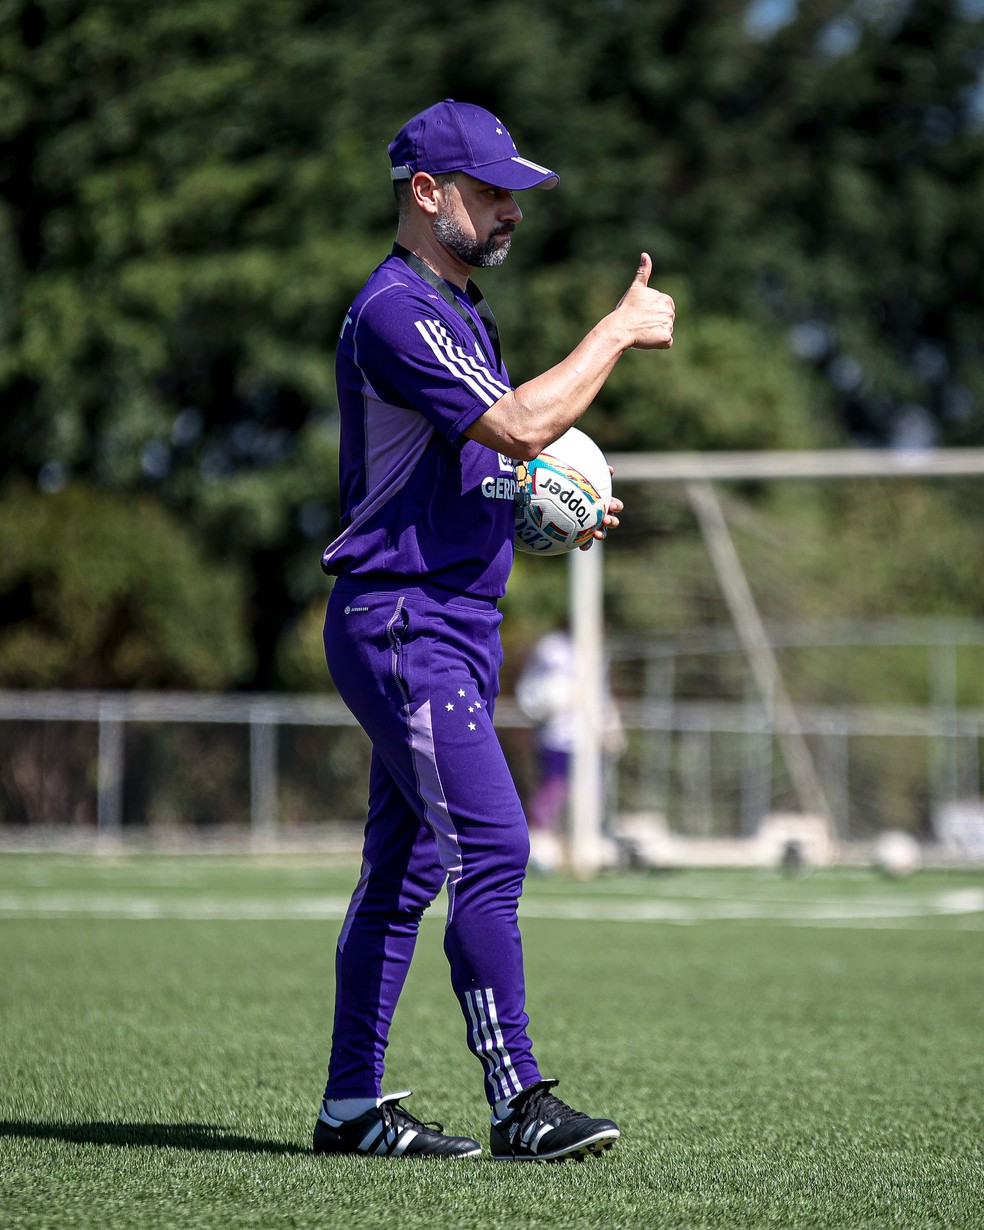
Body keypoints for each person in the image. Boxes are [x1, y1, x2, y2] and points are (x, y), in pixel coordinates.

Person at [314, 98, 674, 1162]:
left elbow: (484, 463)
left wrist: (545, 505)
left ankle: (349, 1113)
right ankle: (519, 1100)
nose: (511, 211)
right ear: (426, 194)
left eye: (517, 194)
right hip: (401, 621)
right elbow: (520, 424)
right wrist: (613, 330)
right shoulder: (397, 309)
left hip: (452, 620)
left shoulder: (463, 312)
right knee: (496, 845)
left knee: (403, 875)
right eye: (490, 192)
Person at [516, 629, 624, 873]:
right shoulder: (552, 647)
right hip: (558, 737)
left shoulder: (596, 648)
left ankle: (583, 845)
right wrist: (549, 700)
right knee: (553, 791)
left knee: (594, 793)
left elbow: (601, 694)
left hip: (588, 739)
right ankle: (542, 845)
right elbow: (533, 689)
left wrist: (609, 723)